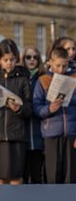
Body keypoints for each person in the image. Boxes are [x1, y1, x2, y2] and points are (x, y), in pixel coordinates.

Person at [0, 39, 32, 185]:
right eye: (5, 60)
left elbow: (29, 109)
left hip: (16, 136)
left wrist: (19, 109)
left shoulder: (23, 80)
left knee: (16, 177)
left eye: (12, 59)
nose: (9, 63)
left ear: (16, 58)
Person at [33, 46, 76, 183]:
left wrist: (70, 99)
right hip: (51, 133)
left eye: (65, 65)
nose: (61, 70)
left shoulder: (74, 77)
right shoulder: (43, 80)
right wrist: (49, 109)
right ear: (50, 62)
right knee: (52, 176)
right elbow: (36, 107)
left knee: (71, 176)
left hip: (71, 133)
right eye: (58, 65)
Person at [21, 47, 46, 183]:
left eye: (35, 57)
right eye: (28, 57)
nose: (32, 60)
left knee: (37, 174)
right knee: (23, 174)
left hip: (38, 131)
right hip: (22, 133)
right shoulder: (19, 77)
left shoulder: (43, 78)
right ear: (23, 59)